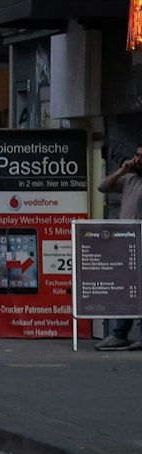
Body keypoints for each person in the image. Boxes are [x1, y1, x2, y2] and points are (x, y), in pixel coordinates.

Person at [95, 144, 142, 350]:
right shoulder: (129, 178)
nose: (138, 159)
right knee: (127, 288)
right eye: (137, 155)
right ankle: (120, 333)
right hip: (127, 240)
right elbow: (103, 186)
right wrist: (122, 170)